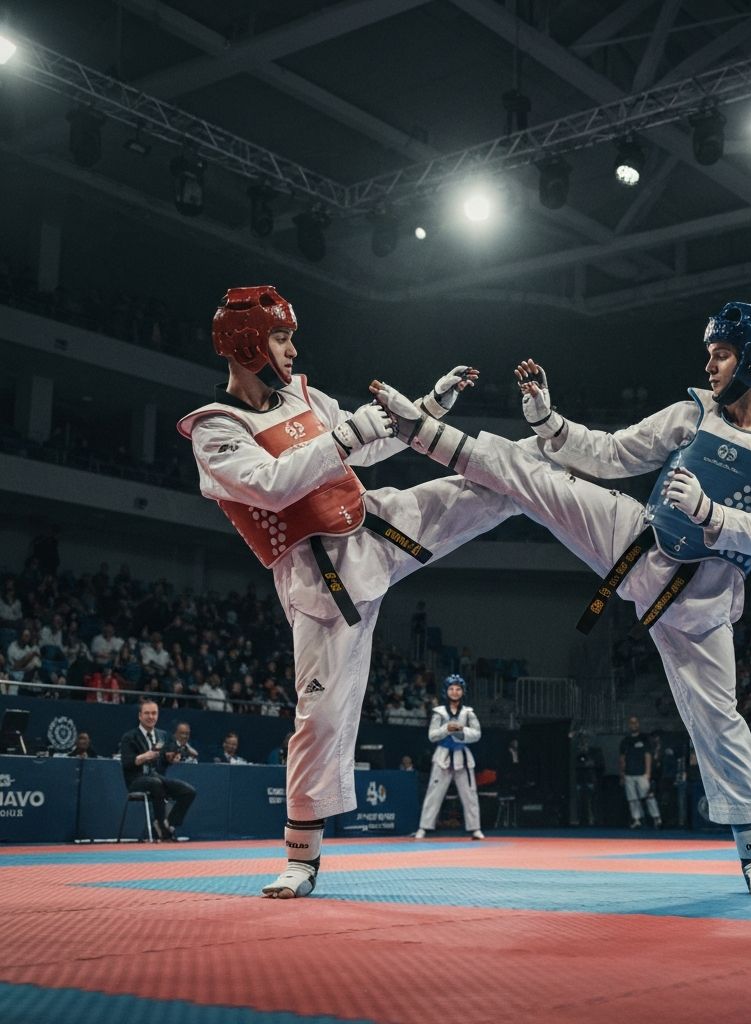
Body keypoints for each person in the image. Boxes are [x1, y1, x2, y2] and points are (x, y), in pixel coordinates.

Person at [375, 300, 751, 895]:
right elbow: (612, 454)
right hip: (638, 541)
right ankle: (419, 429)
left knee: (717, 720)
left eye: (721, 355)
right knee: (534, 476)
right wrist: (549, 421)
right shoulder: (693, 411)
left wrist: (710, 514)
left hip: (702, 599)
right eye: (709, 355)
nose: (710, 365)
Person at [177, 286, 514, 898]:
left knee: (489, 486)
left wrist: (429, 406)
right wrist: (344, 438)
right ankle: (301, 859)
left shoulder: (308, 395)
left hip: (378, 526)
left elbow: (375, 443)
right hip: (317, 577)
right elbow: (273, 485)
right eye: (281, 337)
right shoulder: (215, 430)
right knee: (323, 716)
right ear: (248, 342)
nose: (292, 347)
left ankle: (572, 478)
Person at [413, 675, 484, 840]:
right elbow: (432, 735)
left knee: (469, 793)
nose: (455, 692)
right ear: (446, 691)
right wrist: (446, 728)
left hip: (462, 756)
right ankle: (423, 827)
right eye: (451, 688)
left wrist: (460, 730)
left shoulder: (468, 713)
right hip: (442, 756)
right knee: (434, 793)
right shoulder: (439, 712)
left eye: (458, 689)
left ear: (463, 691)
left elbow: (477, 734)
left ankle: (475, 828)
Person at [119, 699, 196, 840]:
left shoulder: (163, 735)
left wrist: (171, 758)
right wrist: (144, 757)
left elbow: (165, 760)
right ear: (140, 716)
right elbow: (127, 763)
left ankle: (168, 826)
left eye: (154, 713)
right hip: (136, 780)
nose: (151, 717)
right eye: (147, 713)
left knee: (188, 791)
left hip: (157, 778)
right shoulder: (129, 737)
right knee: (156, 782)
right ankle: (160, 823)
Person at [619, 716, 662, 830]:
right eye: (631, 723)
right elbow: (622, 759)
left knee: (649, 796)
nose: (633, 725)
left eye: (635, 722)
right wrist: (622, 774)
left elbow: (648, 756)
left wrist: (648, 773)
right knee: (632, 799)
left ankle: (656, 818)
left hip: (642, 773)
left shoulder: (644, 739)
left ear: (638, 724)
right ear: (629, 725)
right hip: (629, 774)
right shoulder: (625, 741)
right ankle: (636, 819)